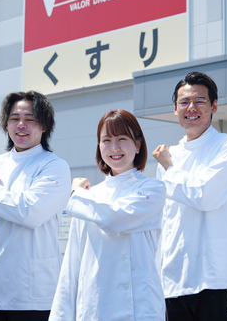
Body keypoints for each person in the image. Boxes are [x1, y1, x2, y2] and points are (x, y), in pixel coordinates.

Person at [50, 109, 166, 321]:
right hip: (94, 306)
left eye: (122, 139)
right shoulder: (88, 197)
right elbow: (72, 264)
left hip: (139, 308)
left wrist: (76, 194)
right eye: (106, 140)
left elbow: (114, 219)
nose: (114, 148)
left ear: (138, 144)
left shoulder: (153, 189)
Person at [152, 71, 227, 321]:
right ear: (175, 109)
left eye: (199, 101)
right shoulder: (169, 154)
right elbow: (164, 221)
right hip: (174, 279)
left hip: (217, 279)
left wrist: (169, 168)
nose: (191, 108)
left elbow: (204, 196)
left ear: (214, 106)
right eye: (184, 102)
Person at [0, 91, 71, 321]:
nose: (21, 125)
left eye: (30, 119)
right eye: (14, 119)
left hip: (30, 296)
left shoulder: (54, 166)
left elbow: (30, 212)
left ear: (44, 126)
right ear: (6, 125)